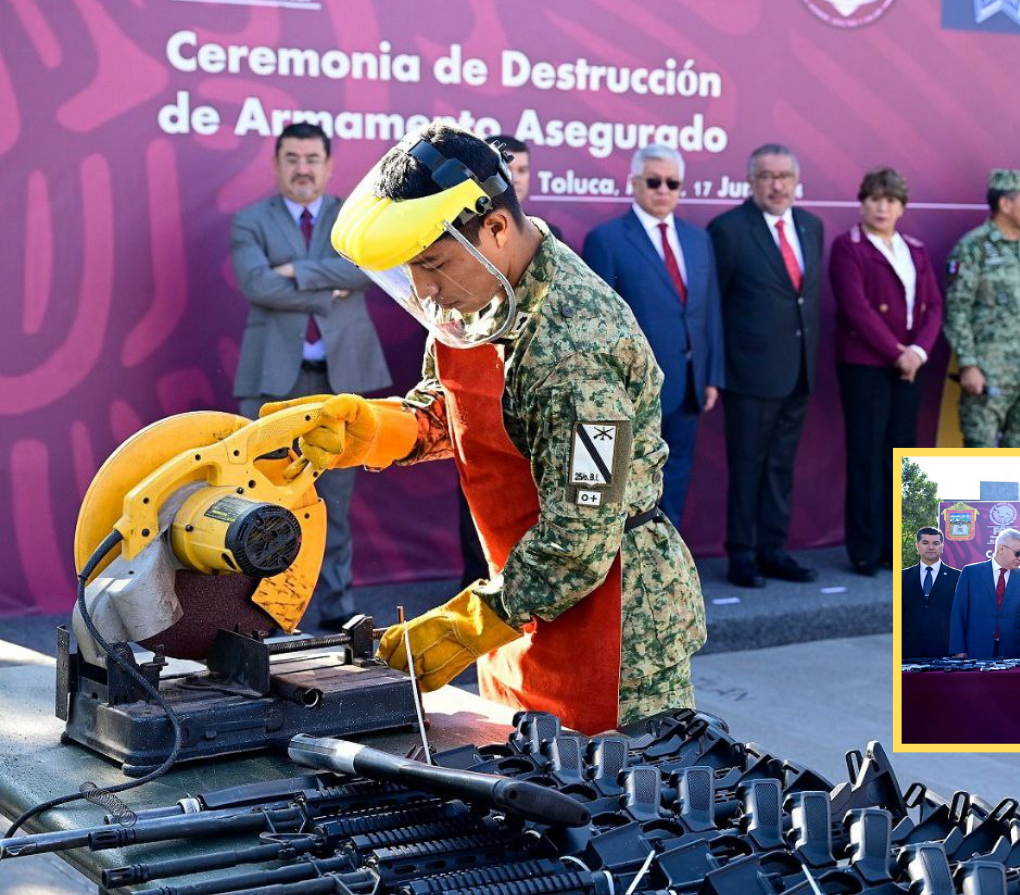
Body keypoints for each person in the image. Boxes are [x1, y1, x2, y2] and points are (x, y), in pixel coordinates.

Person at [271, 121, 706, 734]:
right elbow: (452, 408)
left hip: (613, 624)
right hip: (519, 604)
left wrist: (465, 628)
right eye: (410, 270)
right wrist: (372, 429)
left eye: (431, 264)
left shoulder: (576, 347)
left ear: (496, 228)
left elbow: (581, 539)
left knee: (614, 784)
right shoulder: (481, 290)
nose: (424, 290)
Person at [230, 122, 390, 629]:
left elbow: (367, 270)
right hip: (274, 379)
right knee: (260, 498)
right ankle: (258, 613)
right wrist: (327, 288)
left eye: (312, 159)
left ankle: (336, 608)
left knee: (334, 501)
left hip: (340, 382)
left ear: (328, 165)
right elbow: (257, 285)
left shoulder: (355, 216)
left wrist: (295, 272)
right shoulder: (249, 220)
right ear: (276, 164)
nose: (303, 169)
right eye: (293, 158)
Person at [583, 144, 724, 529]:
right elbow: (599, 323)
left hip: (688, 387)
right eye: (654, 181)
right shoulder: (606, 239)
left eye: (672, 183)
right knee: (626, 484)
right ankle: (627, 561)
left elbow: (707, 310)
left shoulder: (698, 240)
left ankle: (666, 555)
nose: (663, 189)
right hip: (632, 392)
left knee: (675, 477)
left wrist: (710, 375)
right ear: (634, 183)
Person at [708, 144, 824, 588]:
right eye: (767, 176)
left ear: (796, 181)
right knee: (748, 468)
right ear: (751, 181)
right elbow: (715, 306)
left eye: (784, 176)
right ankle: (742, 555)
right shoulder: (729, 230)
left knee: (780, 467)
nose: (777, 185)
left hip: (798, 371)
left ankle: (773, 550)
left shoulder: (811, 226)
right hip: (749, 376)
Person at [830, 167, 943, 575]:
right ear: (862, 203)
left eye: (891, 200)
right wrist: (898, 354)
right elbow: (856, 309)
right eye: (875, 199)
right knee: (866, 454)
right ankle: (864, 549)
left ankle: (895, 547)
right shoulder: (848, 246)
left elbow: (934, 307)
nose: (882, 207)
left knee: (899, 456)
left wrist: (918, 353)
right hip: (866, 367)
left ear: (902, 207)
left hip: (910, 368)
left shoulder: (915, 249)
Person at [943, 170, 1020, 447]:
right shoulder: (972, 248)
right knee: (983, 460)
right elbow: (957, 311)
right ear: (1006, 204)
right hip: (989, 377)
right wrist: (968, 364)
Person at [949, 528, 1020, 659]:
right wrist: (958, 649)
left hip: (1013, 652)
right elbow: (958, 613)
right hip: (975, 649)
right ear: (1001, 548)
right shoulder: (970, 573)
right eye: (1018, 553)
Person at [901, 527, 960, 660]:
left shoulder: (957, 577)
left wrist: (960, 648)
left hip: (945, 648)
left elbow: (962, 615)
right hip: (908, 648)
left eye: (936, 543)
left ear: (942, 547)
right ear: (917, 546)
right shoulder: (902, 576)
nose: (931, 547)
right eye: (925, 543)